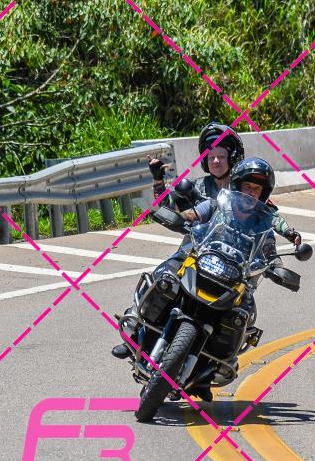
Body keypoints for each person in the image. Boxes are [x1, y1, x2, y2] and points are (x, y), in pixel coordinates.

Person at [111, 159, 283, 399]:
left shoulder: (263, 226)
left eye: (256, 189)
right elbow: (190, 215)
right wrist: (180, 219)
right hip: (198, 260)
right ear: (237, 185)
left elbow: (271, 254)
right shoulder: (216, 205)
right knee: (165, 276)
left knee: (244, 314)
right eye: (247, 186)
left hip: (235, 278)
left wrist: (276, 268)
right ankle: (135, 328)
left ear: (263, 193)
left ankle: (212, 370)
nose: (251, 192)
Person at [149, 122, 302, 247]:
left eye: (221, 156)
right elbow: (167, 206)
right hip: (201, 248)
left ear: (233, 157)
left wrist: (289, 233)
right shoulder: (197, 186)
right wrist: (158, 180)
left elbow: (269, 214)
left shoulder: (246, 187)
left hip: (238, 252)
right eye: (211, 157)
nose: (215, 161)